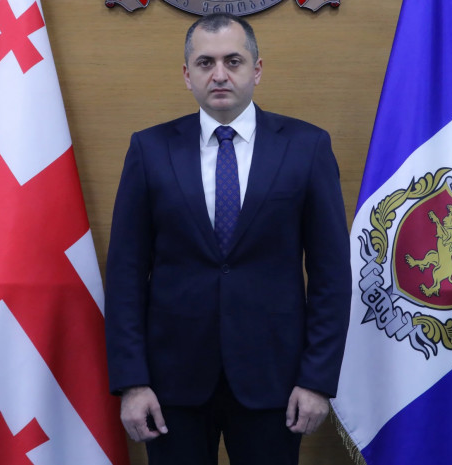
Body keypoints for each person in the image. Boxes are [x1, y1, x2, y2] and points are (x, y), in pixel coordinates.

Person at [105, 12, 351, 465]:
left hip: (275, 382)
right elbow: (125, 276)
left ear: (257, 69)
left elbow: (331, 276)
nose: (219, 74)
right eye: (206, 63)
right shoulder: (150, 149)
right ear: (187, 75)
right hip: (170, 385)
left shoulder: (307, 147)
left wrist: (317, 380)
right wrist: (132, 382)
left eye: (233, 61)